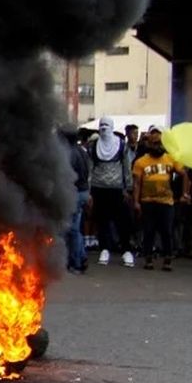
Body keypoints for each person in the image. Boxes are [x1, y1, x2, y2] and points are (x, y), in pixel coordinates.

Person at [130, 130, 186, 271]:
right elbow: (137, 183)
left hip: (166, 201)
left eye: (161, 143)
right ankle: (148, 258)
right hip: (147, 201)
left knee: (166, 231)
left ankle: (167, 259)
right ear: (149, 144)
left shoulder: (170, 158)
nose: (159, 146)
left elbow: (184, 174)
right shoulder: (141, 162)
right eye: (155, 143)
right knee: (149, 231)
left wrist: (185, 193)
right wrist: (136, 202)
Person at [89, 117, 136, 267]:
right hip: (98, 188)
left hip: (117, 189)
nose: (104, 129)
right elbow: (90, 169)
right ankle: (104, 249)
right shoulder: (94, 145)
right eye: (101, 126)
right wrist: (90, 190)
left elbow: (127, 167)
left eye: (106, 126)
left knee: (122, 221)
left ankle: (126, 250)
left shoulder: (121, 145)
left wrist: (127, 188)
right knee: (102, 221)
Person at [62, 127, 91, 274]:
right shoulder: (82, 151)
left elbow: (68, 176)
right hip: (83, 192)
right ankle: (81, 256)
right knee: (75, 228)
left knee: (72, 230)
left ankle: (77, 263)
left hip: (75, 194)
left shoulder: (69, 153)